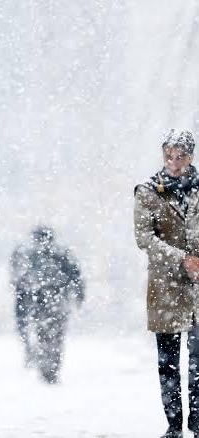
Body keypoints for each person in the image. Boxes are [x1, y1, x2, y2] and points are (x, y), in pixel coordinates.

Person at [134, 129, 199, 438]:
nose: (175, 163)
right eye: (170, 156)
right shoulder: (148, 192)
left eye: (181, 157)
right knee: (168, 363)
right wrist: (181, 258)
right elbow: (144, 238)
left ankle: (198, 424)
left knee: (198, 362)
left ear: (191, 156)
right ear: (163, 155)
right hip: (166, 287)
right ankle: (173, 426)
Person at [10, 226, 84, 384]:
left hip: (40, 304)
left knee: (43, 335)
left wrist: (24, 301)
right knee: (55, 338)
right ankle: (51, 368)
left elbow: (19, 281)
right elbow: (75, 276)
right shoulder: (61, 254)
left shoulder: (30, 254)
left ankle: (47, 367)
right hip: (58, 303)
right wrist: (78, 296)